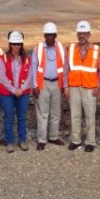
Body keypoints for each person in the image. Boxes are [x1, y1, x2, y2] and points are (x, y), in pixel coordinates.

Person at [64, 20, 100, 152]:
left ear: (89, 35)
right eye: (80, 33)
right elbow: (66, 70)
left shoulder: (97, 50)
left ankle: (90, 142)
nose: (82, 36)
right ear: (77, 34)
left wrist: (98, 86)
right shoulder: (71, 49)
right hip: (74, 87)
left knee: (90, 115)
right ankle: (75, 141)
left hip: (90, 88)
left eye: (84, 33)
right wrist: (66, 87)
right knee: (75, 115)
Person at [31, 22, 66, 151]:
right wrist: (34, 85)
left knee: (56, 112)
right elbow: (33, 67)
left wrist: (64, 85)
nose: (50, 37)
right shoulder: (38, 48)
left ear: (55, 35)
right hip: (43, 83)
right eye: (48, 35)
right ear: (44, 35)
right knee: (42, 113)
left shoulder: (62, 48)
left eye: (52, 35)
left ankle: (53, 136)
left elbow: (65, 68)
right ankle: (41, 140)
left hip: (57, 83)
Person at [0, 31, 32, 153]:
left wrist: (22, 89)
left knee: (22, 117)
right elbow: (2, 76)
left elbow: (30, 75)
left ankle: (22, 140)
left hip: (23, 93)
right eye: (14, 44)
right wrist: (14, 90)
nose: (16, 46)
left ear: (21, 44)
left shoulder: (27, 59)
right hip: (7, 94)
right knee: (9, 118)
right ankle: (10, 142)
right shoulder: (3, 59)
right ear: (10, 44)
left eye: (18, 44)